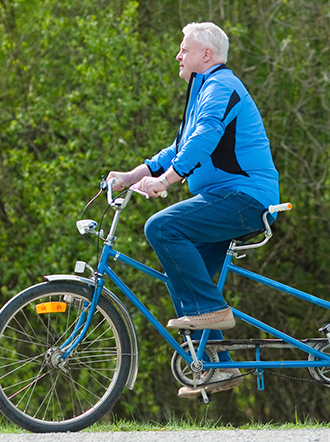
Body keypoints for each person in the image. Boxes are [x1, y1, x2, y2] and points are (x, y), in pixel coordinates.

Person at [106, 22, 280, 398]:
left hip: (246, 200)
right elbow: (179, 147)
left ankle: (212, 311)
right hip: (223, 201)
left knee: (162, 228)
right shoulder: (204, 91)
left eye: (184, 49)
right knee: (181, 273)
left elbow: (204, 139)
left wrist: (166, 182)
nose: (178, 56)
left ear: (206, 55)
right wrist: (132, 175)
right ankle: (218, 368)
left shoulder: (222, 87)